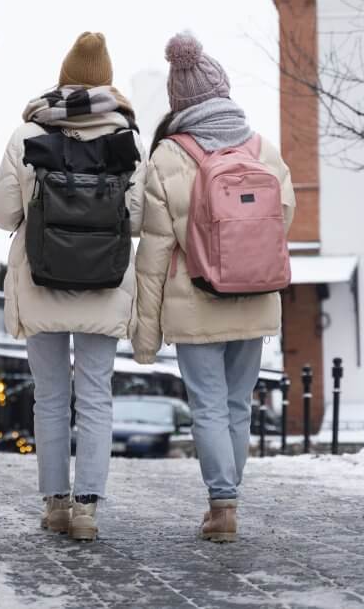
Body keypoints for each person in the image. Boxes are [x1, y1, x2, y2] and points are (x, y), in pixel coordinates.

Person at [133, 32, 295, 543]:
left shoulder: (166, 158)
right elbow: (282, 218)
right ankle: (230, 500)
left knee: (206, 403)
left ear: (178, 102)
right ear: (223, 91)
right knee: (237, 404)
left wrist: (146, 330)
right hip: (254, 293)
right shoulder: (263, 150)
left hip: (194, 299)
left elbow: (154, 252)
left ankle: (221, 503)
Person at [0, 32, 146, 542]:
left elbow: (2, 213)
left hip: (41, 278)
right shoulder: (127, 137)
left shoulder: (28, 134)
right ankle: (87, 510)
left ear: (62, 76)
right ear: (108, 80)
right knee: (97, 394)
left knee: (51, 395)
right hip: (103, 283)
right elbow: (140, 217)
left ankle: (55, 503)